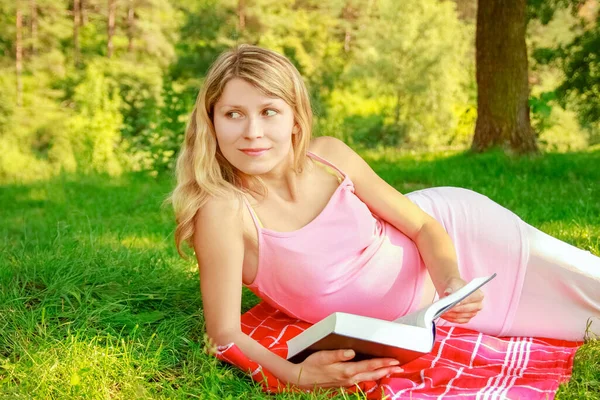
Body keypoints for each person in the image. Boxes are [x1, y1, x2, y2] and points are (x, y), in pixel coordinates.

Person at [169, 44, 600, 389]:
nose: (253, 132)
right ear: (211, 123)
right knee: (587, 325)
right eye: (233, 114)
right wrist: (295, 375)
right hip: (419, 323)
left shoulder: (330, 157)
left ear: (296, 119)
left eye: (269, 112)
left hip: (464, 242)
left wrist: (451, 281)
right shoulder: (223, 210)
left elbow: (424, 225)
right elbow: (224, 335)